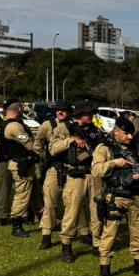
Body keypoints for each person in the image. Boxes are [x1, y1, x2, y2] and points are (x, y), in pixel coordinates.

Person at [91, 117, 139, 276]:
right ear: (116, 132)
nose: (130, 136)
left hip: (136, 195)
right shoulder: (104, 148)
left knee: (138, 230)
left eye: (131, 133)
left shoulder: (137, 148)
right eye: (126, 133)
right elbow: (96, 170)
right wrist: (114, 163)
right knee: (110, 232)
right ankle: (105, 266)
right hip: (116, 195)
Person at [48, 101, 103, 263]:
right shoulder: (63, 129)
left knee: (97, 210)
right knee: (72, 211)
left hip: (93, 174)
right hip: (75, 175)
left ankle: (97, 242)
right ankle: (66, 246)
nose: (91, 116)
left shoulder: (95, 131)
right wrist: (71, 140)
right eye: (88, 113)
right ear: (79, 115)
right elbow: (53, 149)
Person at [35, 100, 71, 250]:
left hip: (71, 168)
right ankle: (46, 235)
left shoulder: (73, 125)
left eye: (64, 110)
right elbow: (38, 143)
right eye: (58, 110)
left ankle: (80, 232)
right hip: (54, 167)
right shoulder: (48, 125)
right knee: (49, 202)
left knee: (73, 203)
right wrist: (45, 157)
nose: (60, 112)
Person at [0, 100, 37, 239]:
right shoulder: (14, 126)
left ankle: (46, 221)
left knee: (36, 195)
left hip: (23, 164)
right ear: (18, 109)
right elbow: (30, 144)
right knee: (22, 195)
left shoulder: (5, 124)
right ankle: (17, 225)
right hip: (21, 166)